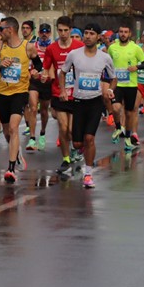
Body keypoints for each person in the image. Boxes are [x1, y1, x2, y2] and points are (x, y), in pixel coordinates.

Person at [59, 23, 117, 188]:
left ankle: (88, 173)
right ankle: (82, 150)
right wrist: (63, 90)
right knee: (77, 143)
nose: (88, 36)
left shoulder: (104, 57)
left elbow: (113, 78)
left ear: (98, 37)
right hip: (78, 101)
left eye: (92, 33)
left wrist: (111, 90)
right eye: (86, 33)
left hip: (95, 101)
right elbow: (62, 72)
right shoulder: (74, 54)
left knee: (89, 138)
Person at [0, 16, 36, 183]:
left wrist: (37, 72)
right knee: (6, 131)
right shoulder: (0, 46)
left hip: (19, 94)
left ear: (10, 30)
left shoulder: (28, 47)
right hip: (2, 94)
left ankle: (11, 168)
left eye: (1, 29)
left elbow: (39, 64)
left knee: (13, 128)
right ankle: (17, 155)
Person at [41, 15, 84, 173]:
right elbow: (46, 67)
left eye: (66, 30)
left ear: (71, 30)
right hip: (59, 92)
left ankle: (77, 149)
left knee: (72, 130)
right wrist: (44, 75)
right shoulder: (52, 48)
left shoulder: (79, 46)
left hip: (77, 93)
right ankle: (65, 159)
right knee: (63, 127)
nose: (63, 33)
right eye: (60, 30)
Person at [107, 22, 144, 152]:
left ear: (129, 33)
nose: (123, 34)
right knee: (116, 107)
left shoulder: (135, 48)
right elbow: (107, 64)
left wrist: (136, 67)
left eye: (125, 32)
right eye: (121, 32)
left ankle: (128, 137)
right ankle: (119, 127)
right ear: (118, 33)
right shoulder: (112, 48)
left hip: (131, 84)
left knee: (129, 113)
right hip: (117, 84)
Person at [28, 22, 55, 151]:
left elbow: (56, 66)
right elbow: (27, 64)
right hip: (34, 82)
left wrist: (49, 76)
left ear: (50, 33)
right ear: (38, 33)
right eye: (42, 32)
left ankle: (42, 133)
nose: (44, 34)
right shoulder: (33, 46)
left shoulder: (54, 47)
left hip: (47, 83)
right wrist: (31, 72)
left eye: (47, 32)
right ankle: (32, 139)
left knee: (44, 110)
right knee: (33, 107)